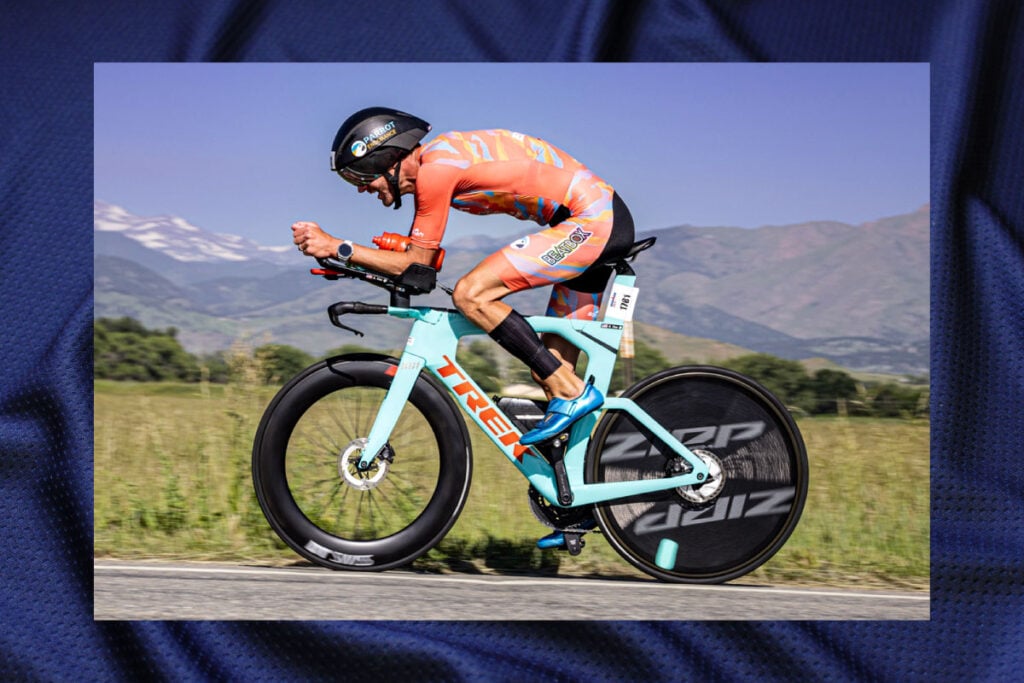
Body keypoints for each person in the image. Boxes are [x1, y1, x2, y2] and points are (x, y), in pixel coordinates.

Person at [292, 107, 635, 547]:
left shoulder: (437, 170)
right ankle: (579, 503)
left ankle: (571, 391)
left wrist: (337, 245)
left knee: (472, 295)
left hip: (591, 220)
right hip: (586, 218)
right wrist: (355, 261)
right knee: (547, 368)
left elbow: (418, 267)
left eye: (364, 178)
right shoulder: (438, 166)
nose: (365, 189)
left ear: (385, 158)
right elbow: (424, 264)